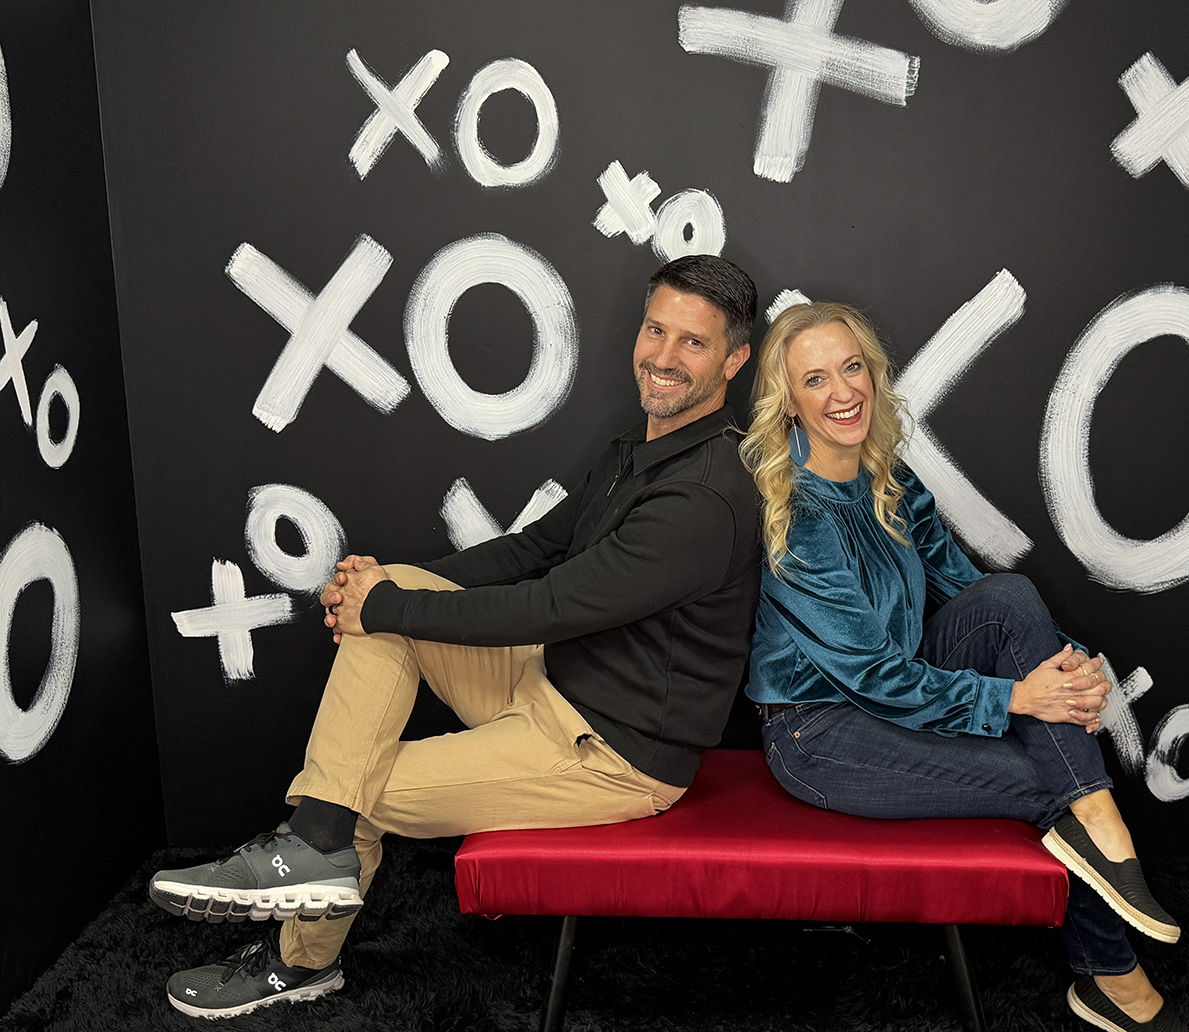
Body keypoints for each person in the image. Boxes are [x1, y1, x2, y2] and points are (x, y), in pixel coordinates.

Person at [150, 255, 761, 1020]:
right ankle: (315, 840)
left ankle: (299, 957)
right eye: (656, 330)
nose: (664, 356)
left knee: (353, 790)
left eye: (693, 343)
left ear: (734, 360)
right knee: (394, 601)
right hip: (551, 684)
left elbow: (551, 605)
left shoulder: (704, 496)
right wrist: (385, 589)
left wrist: (386, 608)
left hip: (608, 754)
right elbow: (531, 550)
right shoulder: (632, 453)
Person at [740, 301, 1189, 1032]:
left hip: (903, 681)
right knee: (1047, 778)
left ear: (873, 374)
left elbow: (971, 594)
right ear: (789, 402)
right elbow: (874, 678)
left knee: (1008, 596)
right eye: (815, 379)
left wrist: (1070, 669)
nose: (843, 392)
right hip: (819, 732)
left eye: (852, 368)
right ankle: (1115, 975)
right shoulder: (801, 518)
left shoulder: (888, 480)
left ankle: (1096, 821)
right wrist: (1017, 698)